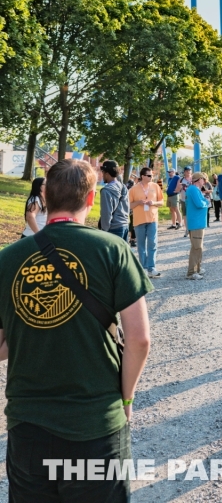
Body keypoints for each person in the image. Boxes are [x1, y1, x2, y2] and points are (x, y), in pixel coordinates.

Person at [0, 158, 152, 502]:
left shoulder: (8, 259)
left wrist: (30, 325)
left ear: (45, 197)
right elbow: (140, 340)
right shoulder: (112, 249)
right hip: (95, 423)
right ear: (90, 199)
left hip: (28, 427)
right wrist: (126, 398)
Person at [128, 166, 163, 279]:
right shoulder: (134, 189)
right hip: (139, 220)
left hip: (152, 219)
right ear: (143, 176)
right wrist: (138, 202)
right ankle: (143, 268)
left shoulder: (155, 186)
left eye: (152, 175)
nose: (151, 177)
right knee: (141, 245)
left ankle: (151, 268)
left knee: (152, 243)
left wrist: (153, 202)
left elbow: (161, 202)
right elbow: (129, 205)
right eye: (149, 175)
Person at [185, 172, 211, 280]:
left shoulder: (195, 190)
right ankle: (192, 272)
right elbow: (200, 203)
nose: (204, 181)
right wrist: (206, 202)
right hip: (196, 223)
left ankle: (198, 268)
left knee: (198, 247)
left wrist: (205, 201)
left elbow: (202, 201)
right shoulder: (193, 190)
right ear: (198, 179)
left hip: (198, 223)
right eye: (203, 179)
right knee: (196, 247)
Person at [99, 162, 130, 241]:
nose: (102, 175)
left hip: (113, 228)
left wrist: (104, 231)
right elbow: (127, 207)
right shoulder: (123, 187)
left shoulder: (106, 191)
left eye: (103, 172)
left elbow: (106, 213)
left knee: (111, 253)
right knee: (122, 253)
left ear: (107, 173)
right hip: (125, 225)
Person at [178, 165, 192, 236]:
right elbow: (177, 190)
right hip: (184, 199)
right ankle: (187, 229)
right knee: (185, 215)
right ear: (184, 172)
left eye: (189, 170)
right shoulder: (181, 180)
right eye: (187, 171)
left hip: (192, 199)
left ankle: (193, 228)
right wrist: (179, 187)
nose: (188, 172)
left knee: (192, 214)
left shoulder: (194, 179)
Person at [125, 173, 138, 247]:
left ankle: (130, 238)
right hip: (132, 209)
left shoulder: (126, 188)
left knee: (130, 224)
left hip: (127, 209)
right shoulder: (133, 189)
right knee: (133, 224)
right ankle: (132, 239)